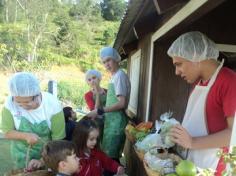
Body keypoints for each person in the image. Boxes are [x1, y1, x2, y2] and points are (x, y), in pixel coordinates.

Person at [167, 31, 236, 175]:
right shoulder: (199, 83)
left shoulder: (229, 81)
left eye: (179, 64)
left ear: (196, 57)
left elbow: (233, 134)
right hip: (191, 164)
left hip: (214, 167)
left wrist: (192, 142)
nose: (176, 72)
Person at [0, 72, 65, 170]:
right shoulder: (9, 104)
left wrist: (42, 161)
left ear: (37, 94)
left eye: (27, 102)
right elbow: (7, 132)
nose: (23, 106)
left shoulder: (52, 105)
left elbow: (58, 141)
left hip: (46, 152)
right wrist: (26, 136)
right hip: (18, 154)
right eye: (18, 102)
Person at [87, 47, 131, 165]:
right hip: (111, 122)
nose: (107, 64)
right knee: (108, 158)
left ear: (116, 59)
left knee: (112, 160)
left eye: (109, 60)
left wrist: (99, 111)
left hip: (116, 123)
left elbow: (122, 103)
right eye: (104, 62)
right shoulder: (114, 76)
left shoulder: (120, 76)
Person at [84, 69, 107, 141]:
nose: (92, 81)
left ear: (99, 78)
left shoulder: (107, 91)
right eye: (89, 80)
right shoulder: (88, 95)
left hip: (109, 121)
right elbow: (94, 111)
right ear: (87, 82)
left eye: (94, 78)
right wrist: (97, 95)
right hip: (97, 123)